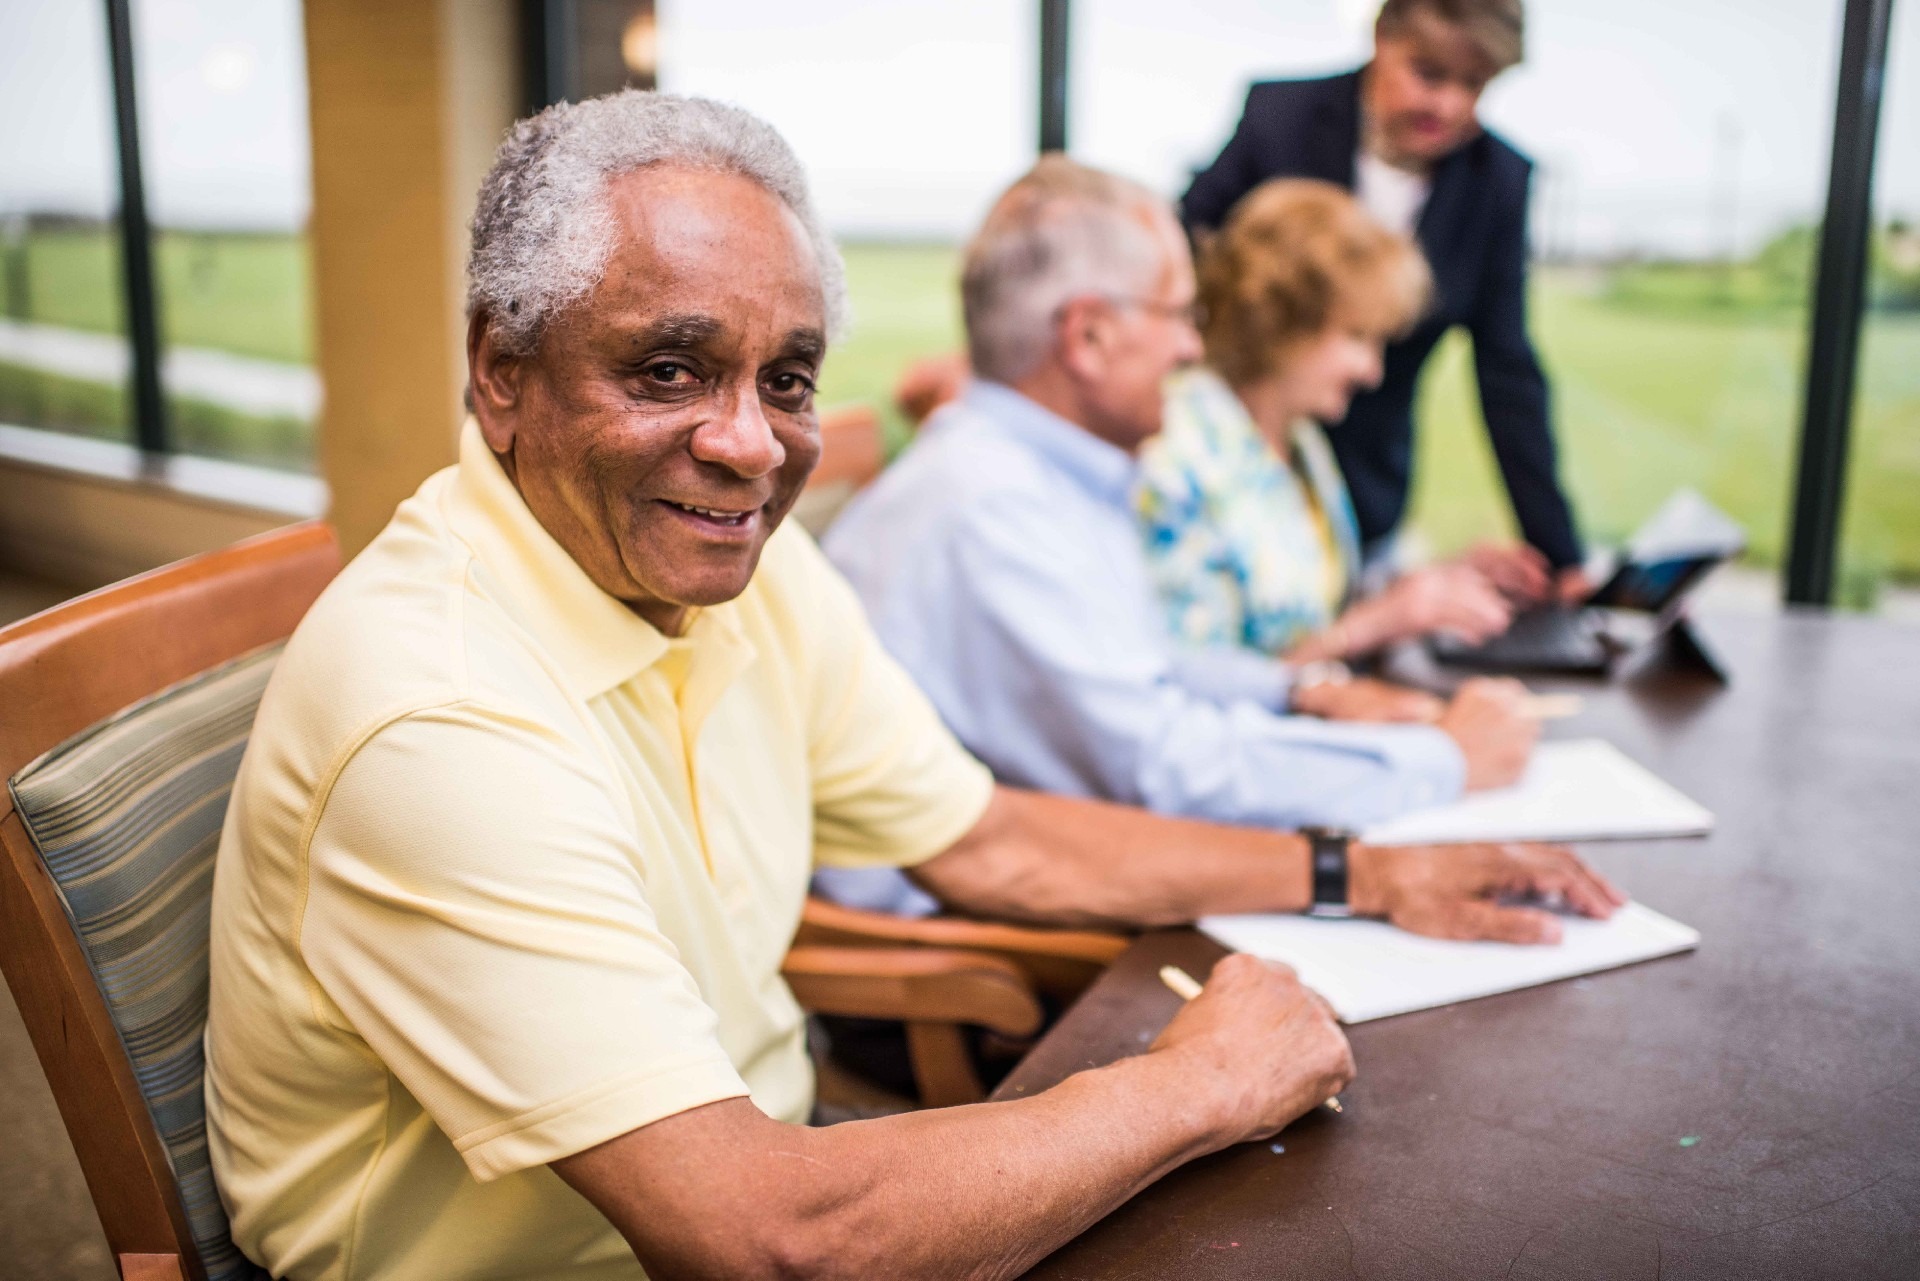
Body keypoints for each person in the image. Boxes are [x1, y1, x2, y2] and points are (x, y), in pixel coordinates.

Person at [203, 93, 1622, 1281]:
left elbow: (991, 836)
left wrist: (1362, 870)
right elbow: (769, 1237)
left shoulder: (729, 572)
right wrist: (1198, 1082)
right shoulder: (442, 718)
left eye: (791, 378)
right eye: (671, 367)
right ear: (500, 377)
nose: (751, 445)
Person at [818, 155, 1549, 919]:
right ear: (1090, 336)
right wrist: (1440, 762)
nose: (1193, 349)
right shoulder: (995, 510)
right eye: (1176, 315)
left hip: (1033, 874)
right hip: (965, 949)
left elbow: (1147, 672)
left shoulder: (1038, 474)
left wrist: (1298, 691)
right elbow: (1160, 769)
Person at [1182, 0, 1589, 598]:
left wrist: (1560, 555)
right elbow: (1189, 258)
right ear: (1381, 39)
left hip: (1364, 484)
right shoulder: (1280, 119)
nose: (1447, 105)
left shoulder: (1498, 182)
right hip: (1233, 462)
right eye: (1428, 74)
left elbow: (1508, 374)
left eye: (1473, 85)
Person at [1140, 178, 1533, 667]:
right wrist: (1375, 623)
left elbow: (1306, 615)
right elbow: (1195, 691)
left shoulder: (1299, 440)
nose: (1373, 371)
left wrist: (1436, 585)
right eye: (1357, 337)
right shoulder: (1176, 454)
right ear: (1281, 319)